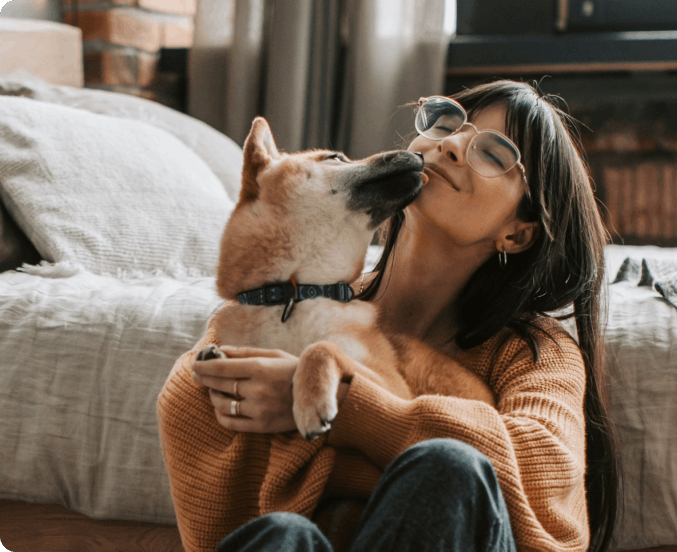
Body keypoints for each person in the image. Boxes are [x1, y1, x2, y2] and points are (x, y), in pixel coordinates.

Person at [158, 79, 620, 552]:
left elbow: (538, 476)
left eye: (495, 154)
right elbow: (191, 415)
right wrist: (378, 452)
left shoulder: (535, 353)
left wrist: (344, 410)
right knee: (283, 535)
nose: (453, 145)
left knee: (448, 469)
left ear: (517, 235)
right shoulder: (291, 304)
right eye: (446, 121)